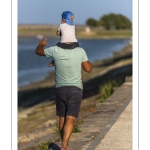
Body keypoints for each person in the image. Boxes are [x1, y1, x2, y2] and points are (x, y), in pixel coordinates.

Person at [35, 34, 92, 150]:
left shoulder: (55, 50)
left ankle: (65, 145)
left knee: (62, 118)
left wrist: (41, 44)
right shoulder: (80, 51)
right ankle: (64, 145)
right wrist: (82, 61)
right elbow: (88, 69)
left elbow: (38, 51)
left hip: (60, 89)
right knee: (70, 118)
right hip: (75, 89)